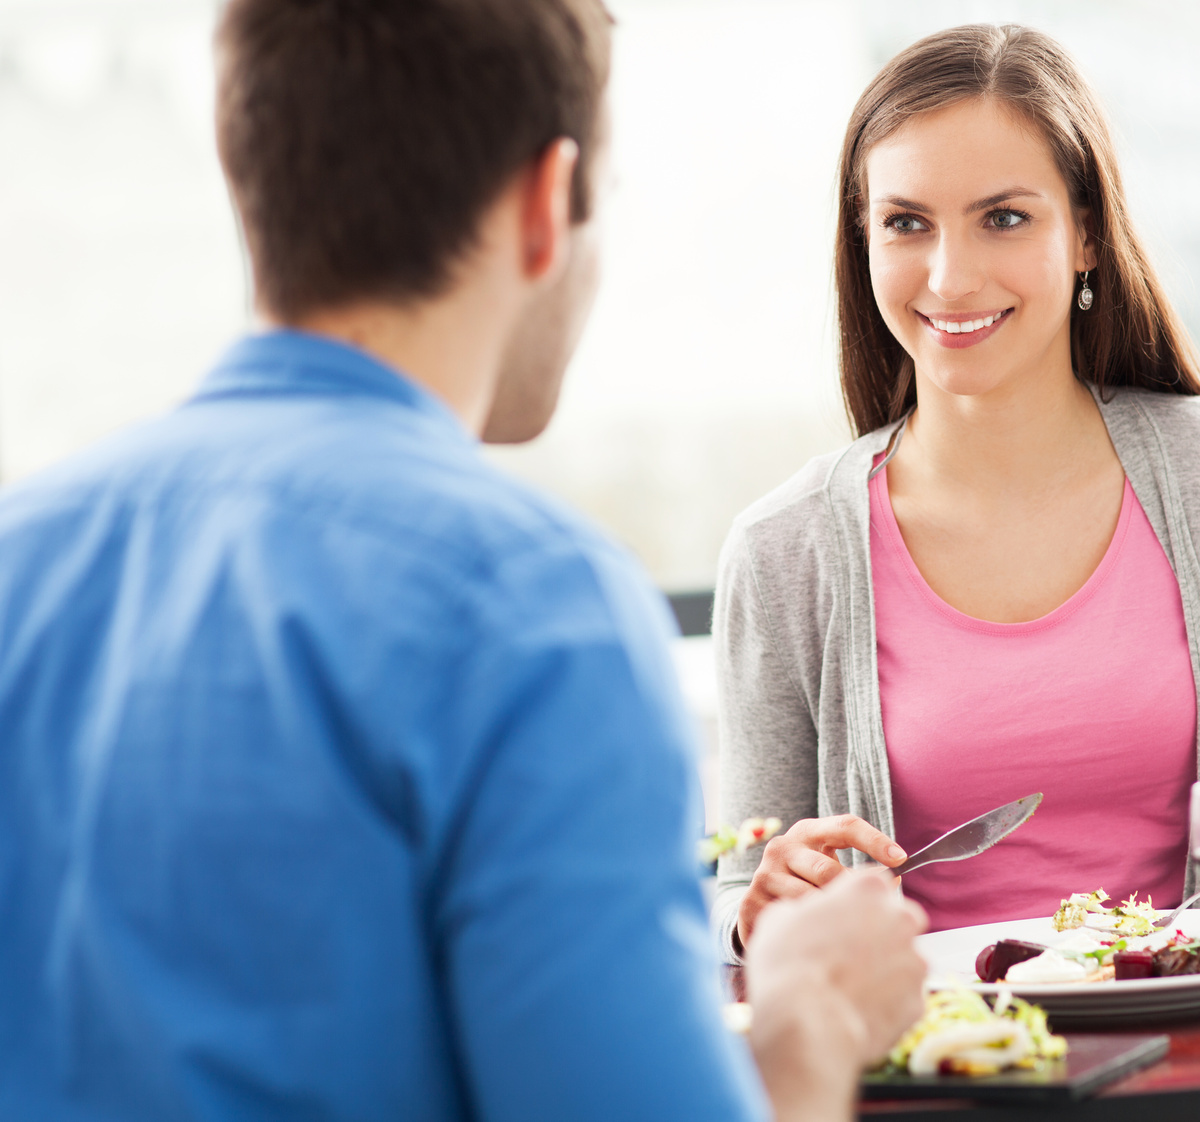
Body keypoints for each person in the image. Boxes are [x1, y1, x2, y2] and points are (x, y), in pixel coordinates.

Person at [0, 2, 926, 1120]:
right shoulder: (532, 610)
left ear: (252, 180)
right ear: (548, 205)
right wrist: (807, 1023)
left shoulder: (21, 562)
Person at [714, 23, 1200, 956]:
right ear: (863, 241)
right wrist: (761, 910)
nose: (949, 277)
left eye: (1003, 217)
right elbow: (736, 900)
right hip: (939, 1074)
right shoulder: (780, 553)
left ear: (1084, 233)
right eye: (905, 222)